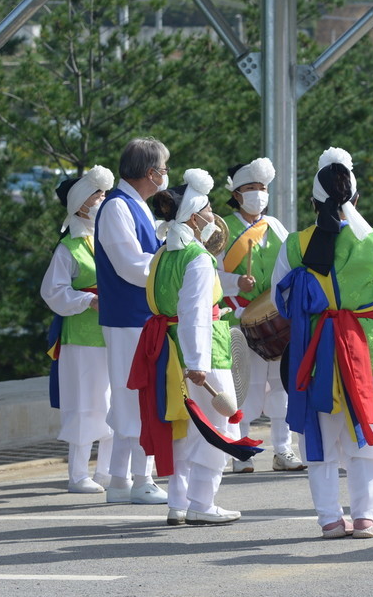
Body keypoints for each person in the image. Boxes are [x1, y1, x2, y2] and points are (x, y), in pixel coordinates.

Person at [273, 148, 373, 539]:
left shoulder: (295, 244)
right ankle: (365, 516)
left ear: (313, 201)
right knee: (367, 427)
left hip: (314, 350)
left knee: (319, 432)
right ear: (356, 198)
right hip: (366, 347)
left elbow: (280, 300)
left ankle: (329, 519)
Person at [138, 169, 241, 525]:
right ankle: (202, 502)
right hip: (202, 348)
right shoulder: (197, 256)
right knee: (213, 425)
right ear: (195, 218)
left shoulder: (162, 254)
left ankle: (178, 503)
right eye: (209, 209)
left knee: (181, 426)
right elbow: (194, 312)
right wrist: (198, 362)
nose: (214, 215)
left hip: (167, 349)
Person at [93, 137, 170, 506]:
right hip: (129, 317)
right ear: (151, 173)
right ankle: (142, 479)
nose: (166, 175)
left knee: (132, 396)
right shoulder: (117, 208)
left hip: (139, 316)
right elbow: (131, 266)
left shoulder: (133, 205)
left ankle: (121, 480)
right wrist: (171, 265)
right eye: (164, 169)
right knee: (137, 397)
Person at [217, 157, 303, 473]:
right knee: (244, 386)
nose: (259, 193)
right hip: (239, 316)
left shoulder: (276, 226)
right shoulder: (221, 229)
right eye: (251, 187)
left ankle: (283, 449)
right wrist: (234, 282)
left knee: (281, 387)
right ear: (237, 194)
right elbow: (207, 272)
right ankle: (242, 450)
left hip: (276, 318)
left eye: (263, 187)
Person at [41, 165, 116, 493]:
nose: (102, 199)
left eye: (104, 193)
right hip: (82, 337)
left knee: (114, 403)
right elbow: (52, 292)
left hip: (112, 331)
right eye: (96, 194)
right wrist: (88, 300)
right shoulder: (68, 247)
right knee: (85, 403)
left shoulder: (109, 238)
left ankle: (107, 470)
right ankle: (78, 474)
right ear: (79, 203)